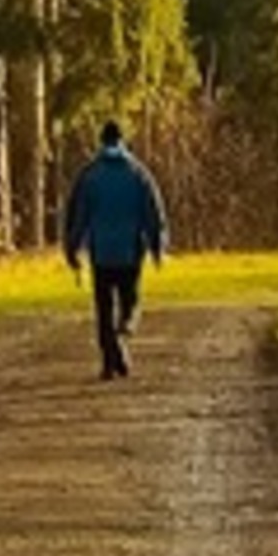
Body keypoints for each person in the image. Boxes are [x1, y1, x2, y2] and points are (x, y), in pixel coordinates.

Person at [62, 118, 169, 381]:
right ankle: (122, 335)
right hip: (130, 251)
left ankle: (109, 362)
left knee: (103, 307)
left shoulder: (89, 176)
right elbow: (152, 213)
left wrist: (72, 248)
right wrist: (157, 246)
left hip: (101, 252)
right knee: (130, 302)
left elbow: (77, 215)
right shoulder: (138, 173)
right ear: (123, 141)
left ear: (101, 141)